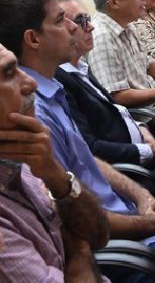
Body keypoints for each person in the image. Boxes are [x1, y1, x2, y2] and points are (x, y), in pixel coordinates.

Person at [0, 0, 155, 281]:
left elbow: (85, 158)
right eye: (61, 21)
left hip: (118, 225)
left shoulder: (53, 89)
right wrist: (147, 224)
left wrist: (139, 193)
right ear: (32, 39)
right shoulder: (30, 115)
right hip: (122, 248)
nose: (75, 28)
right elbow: (85, 236)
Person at [0, 43, 110, 282]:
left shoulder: (23, 156)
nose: (31, 83)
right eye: (8, 73)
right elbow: (86, 244)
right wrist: (80, 250)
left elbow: (98, 236)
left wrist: (54, 174)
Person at [55, 0, 155, 206]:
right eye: (80, 22)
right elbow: (90, 149)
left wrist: (140, 127)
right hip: (132, 173)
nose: (90, 27)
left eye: (87, 19)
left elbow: (112, 107)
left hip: (143, 150)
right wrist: (145, 151)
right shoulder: (61, 83)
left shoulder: (80, 66)